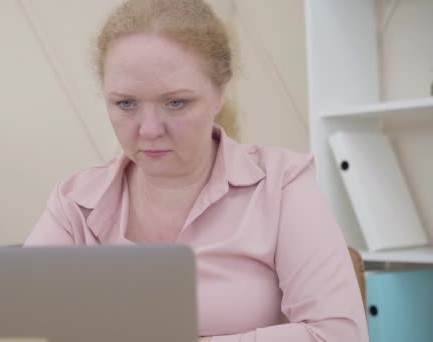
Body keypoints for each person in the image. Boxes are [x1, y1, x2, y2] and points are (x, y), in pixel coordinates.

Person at [24, 0, 369, 341]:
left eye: (176, 103)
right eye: (125, 104)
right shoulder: (75, 203)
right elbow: (16, 313)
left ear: (219, 93)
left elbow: (337, 335)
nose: (149, 130)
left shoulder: (281, 184)